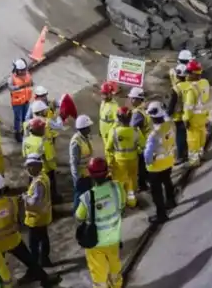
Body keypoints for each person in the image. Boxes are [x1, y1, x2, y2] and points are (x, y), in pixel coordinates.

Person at [0, 173, 60, 286]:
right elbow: (18, 220)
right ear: (2, 189)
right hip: (13, 240)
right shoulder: (11, 202)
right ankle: (45, 279)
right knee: (30, 261)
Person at [75, 157, 125, 288]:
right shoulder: (117, 187)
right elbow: (122, 204)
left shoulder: (87, 196)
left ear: (91, 175)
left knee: (99, 274)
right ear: (107, 172)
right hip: (114, 238)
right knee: (115, 267)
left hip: (95, 242)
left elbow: (78, 217)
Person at [143, 102, 177, 224]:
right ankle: (171, 200)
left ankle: (161, 215)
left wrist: (149, 163)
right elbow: (166, 116)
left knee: (156, 193)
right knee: (167, 181)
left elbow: (147, 155)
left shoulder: (154, 135)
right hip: (169, 161)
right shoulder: (170, 125)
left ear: (152, 118)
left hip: (156, 167)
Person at [27, 102, 65, 203]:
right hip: (46, 158)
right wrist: (58, 116)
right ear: (40, 112)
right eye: (44, 110)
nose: (46, 111)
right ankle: (52, 198)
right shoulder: (47, 122)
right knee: (50, 179)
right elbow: (59, 126)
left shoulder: (28, 124)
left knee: (33, 180)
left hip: (31, 158)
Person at [105, 106, 143, 207]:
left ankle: (121, 203)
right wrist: (136, 150)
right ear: (130, 118)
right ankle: (132, 201)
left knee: (120, 183)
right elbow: (143, 146)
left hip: (119, 162)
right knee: (132, 181)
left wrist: (109, 162)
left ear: (118, 118)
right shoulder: (136, 131)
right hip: (133, 161)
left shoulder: (114, 132)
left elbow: (108, 148)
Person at [21, 153, 54, 268]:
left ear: (38, 166)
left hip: (35, 218)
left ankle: (36, 264)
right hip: (43, 216)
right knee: (44, 239)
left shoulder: (38, 183)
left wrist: (25, 198)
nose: (28, 169)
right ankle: (45, 260)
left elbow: (34, 203)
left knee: (34, 244)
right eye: (28, 166)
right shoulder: (43, 177)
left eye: (31, 166)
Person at [185, 60, 211, 166]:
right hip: (203, 114)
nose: (187, 75)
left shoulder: (191, 89)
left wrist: (186, 118)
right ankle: (201, 154)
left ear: (192, 73)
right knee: (202, 135)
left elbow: (188, 107)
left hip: (193, 117)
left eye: (188, 72)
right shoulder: (205, 83)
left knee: (193, 139)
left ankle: (194, 160)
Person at [127, 87, 151, 193]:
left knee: (141, 166)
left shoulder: (137, 113)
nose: (131, 101)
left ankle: (143, 185)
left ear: (137, 99)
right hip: (149, 139)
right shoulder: (145, 108)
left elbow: (131, 128)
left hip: (143, 142)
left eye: (132, 98)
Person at [69, 114, 95, 212]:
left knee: (87, 194)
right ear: (83, 128)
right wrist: (76, 177)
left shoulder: (85, 137)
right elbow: (73, 162)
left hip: (87, 173)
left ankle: (85, 211)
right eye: (88, 127)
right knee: (79, 195)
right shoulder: (75, 142)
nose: (90, 128)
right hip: (81, 175)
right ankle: (77, 213)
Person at [9, 59, 34, 142]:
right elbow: (11, 88)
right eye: (21, 71)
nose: (23, 72)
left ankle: (24, 130)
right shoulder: (12, 78)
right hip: (17, 103)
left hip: (26, 101)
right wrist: (22, 86)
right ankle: (17, 133)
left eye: (24, 70)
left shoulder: (27, 74)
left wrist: (31, 83)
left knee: (25, 117)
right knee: (18, 118)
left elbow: (31, 82)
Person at [169, 64, 190, 164]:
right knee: (187, 134)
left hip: (178, 117)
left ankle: (181, 156)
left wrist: (167, 114)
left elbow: (172, 104)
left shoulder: (176, 89)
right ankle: (188, 152)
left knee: (180, 136)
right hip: (189, 114)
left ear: (177, 75)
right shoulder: (190, 85)